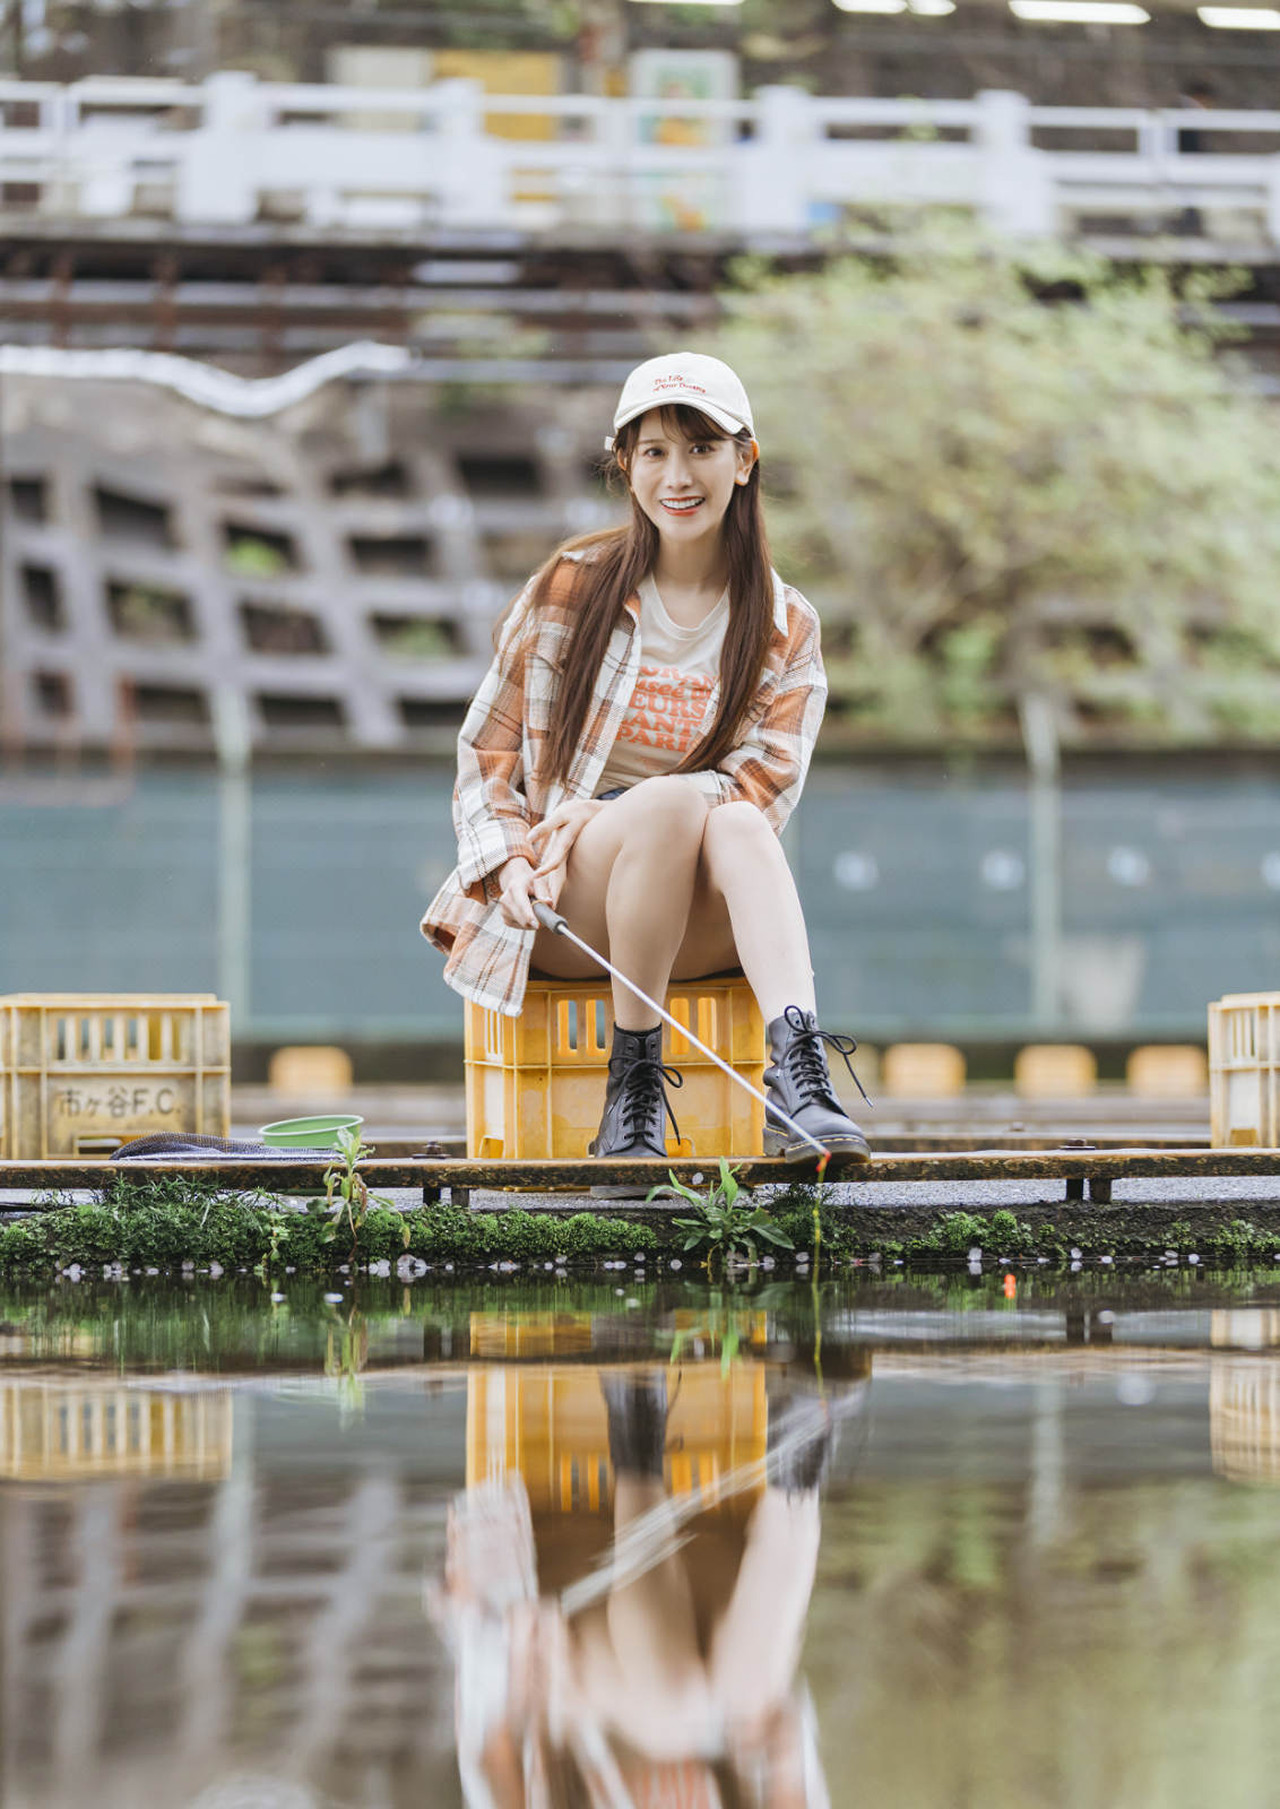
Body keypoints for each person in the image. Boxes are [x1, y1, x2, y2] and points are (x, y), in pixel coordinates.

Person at [422, 351, 870, 1177]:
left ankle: (801, 1076)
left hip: (694, 924)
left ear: (745, 460)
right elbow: (486, 752)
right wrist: (509, 861)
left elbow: (764, 789)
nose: (679, 475)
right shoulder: (571, 587)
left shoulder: (785, 624)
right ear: (625, 463)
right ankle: (631, 1088)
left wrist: (621, 804)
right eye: (655, 451)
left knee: (734, 823)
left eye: (702, 448)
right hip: (568, 907)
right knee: (670, 809)